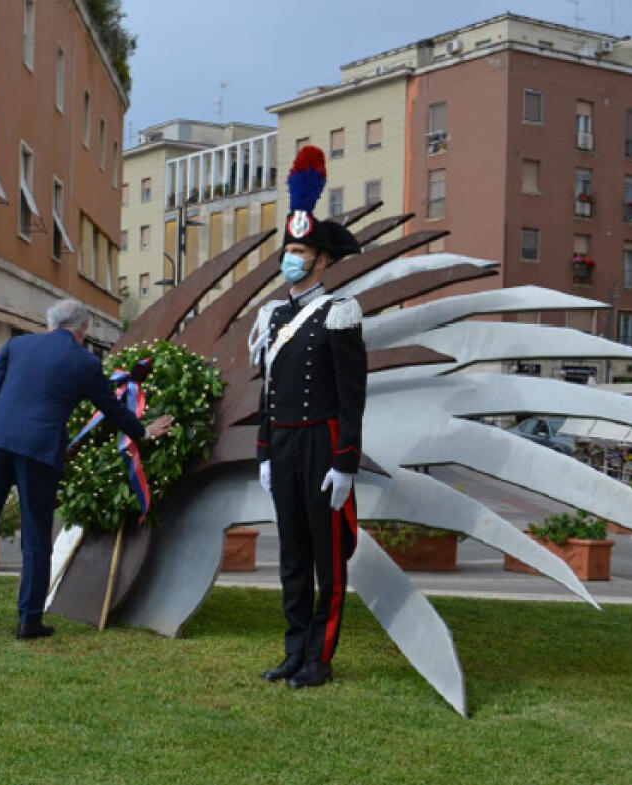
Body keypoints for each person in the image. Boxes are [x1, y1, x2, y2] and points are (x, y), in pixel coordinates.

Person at [0, 299, 174, 640]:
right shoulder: (84, 361)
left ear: (49, 323)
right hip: (38, 451)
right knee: (37, 537)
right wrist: (144, 431)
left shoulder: (17, 345)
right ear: (82, 330)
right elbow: (111, 408)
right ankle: (29, 620)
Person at [253, 146, 367, 688]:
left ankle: (319, 658)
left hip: (323, 445)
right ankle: (293, 650)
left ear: (321, 259)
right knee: (292, 555)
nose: (291, 258)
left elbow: (352, 396)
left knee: (329, 560)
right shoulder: (273, 316)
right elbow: (268, 390)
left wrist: (346, 460)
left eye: (300, 250)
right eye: (288, 249)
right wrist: (264, 451)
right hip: (284, 444)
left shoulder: (340, 312)